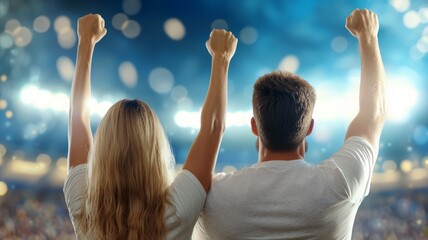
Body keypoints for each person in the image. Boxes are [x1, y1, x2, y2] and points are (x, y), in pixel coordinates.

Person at [193, 8, 386, 240]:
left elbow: (210, 130)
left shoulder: (212, 195)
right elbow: (374, 111)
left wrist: (220, 59)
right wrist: (368, 35)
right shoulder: (340, 183)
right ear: (309, 127)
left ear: (254, 126)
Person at [63, 14, 237, 239]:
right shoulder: (177, 208)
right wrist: (221, 58)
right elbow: (213, 127)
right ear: (156, 149)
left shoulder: (82, 204)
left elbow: (77, 118)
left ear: (103, 148)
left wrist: (85, 42)